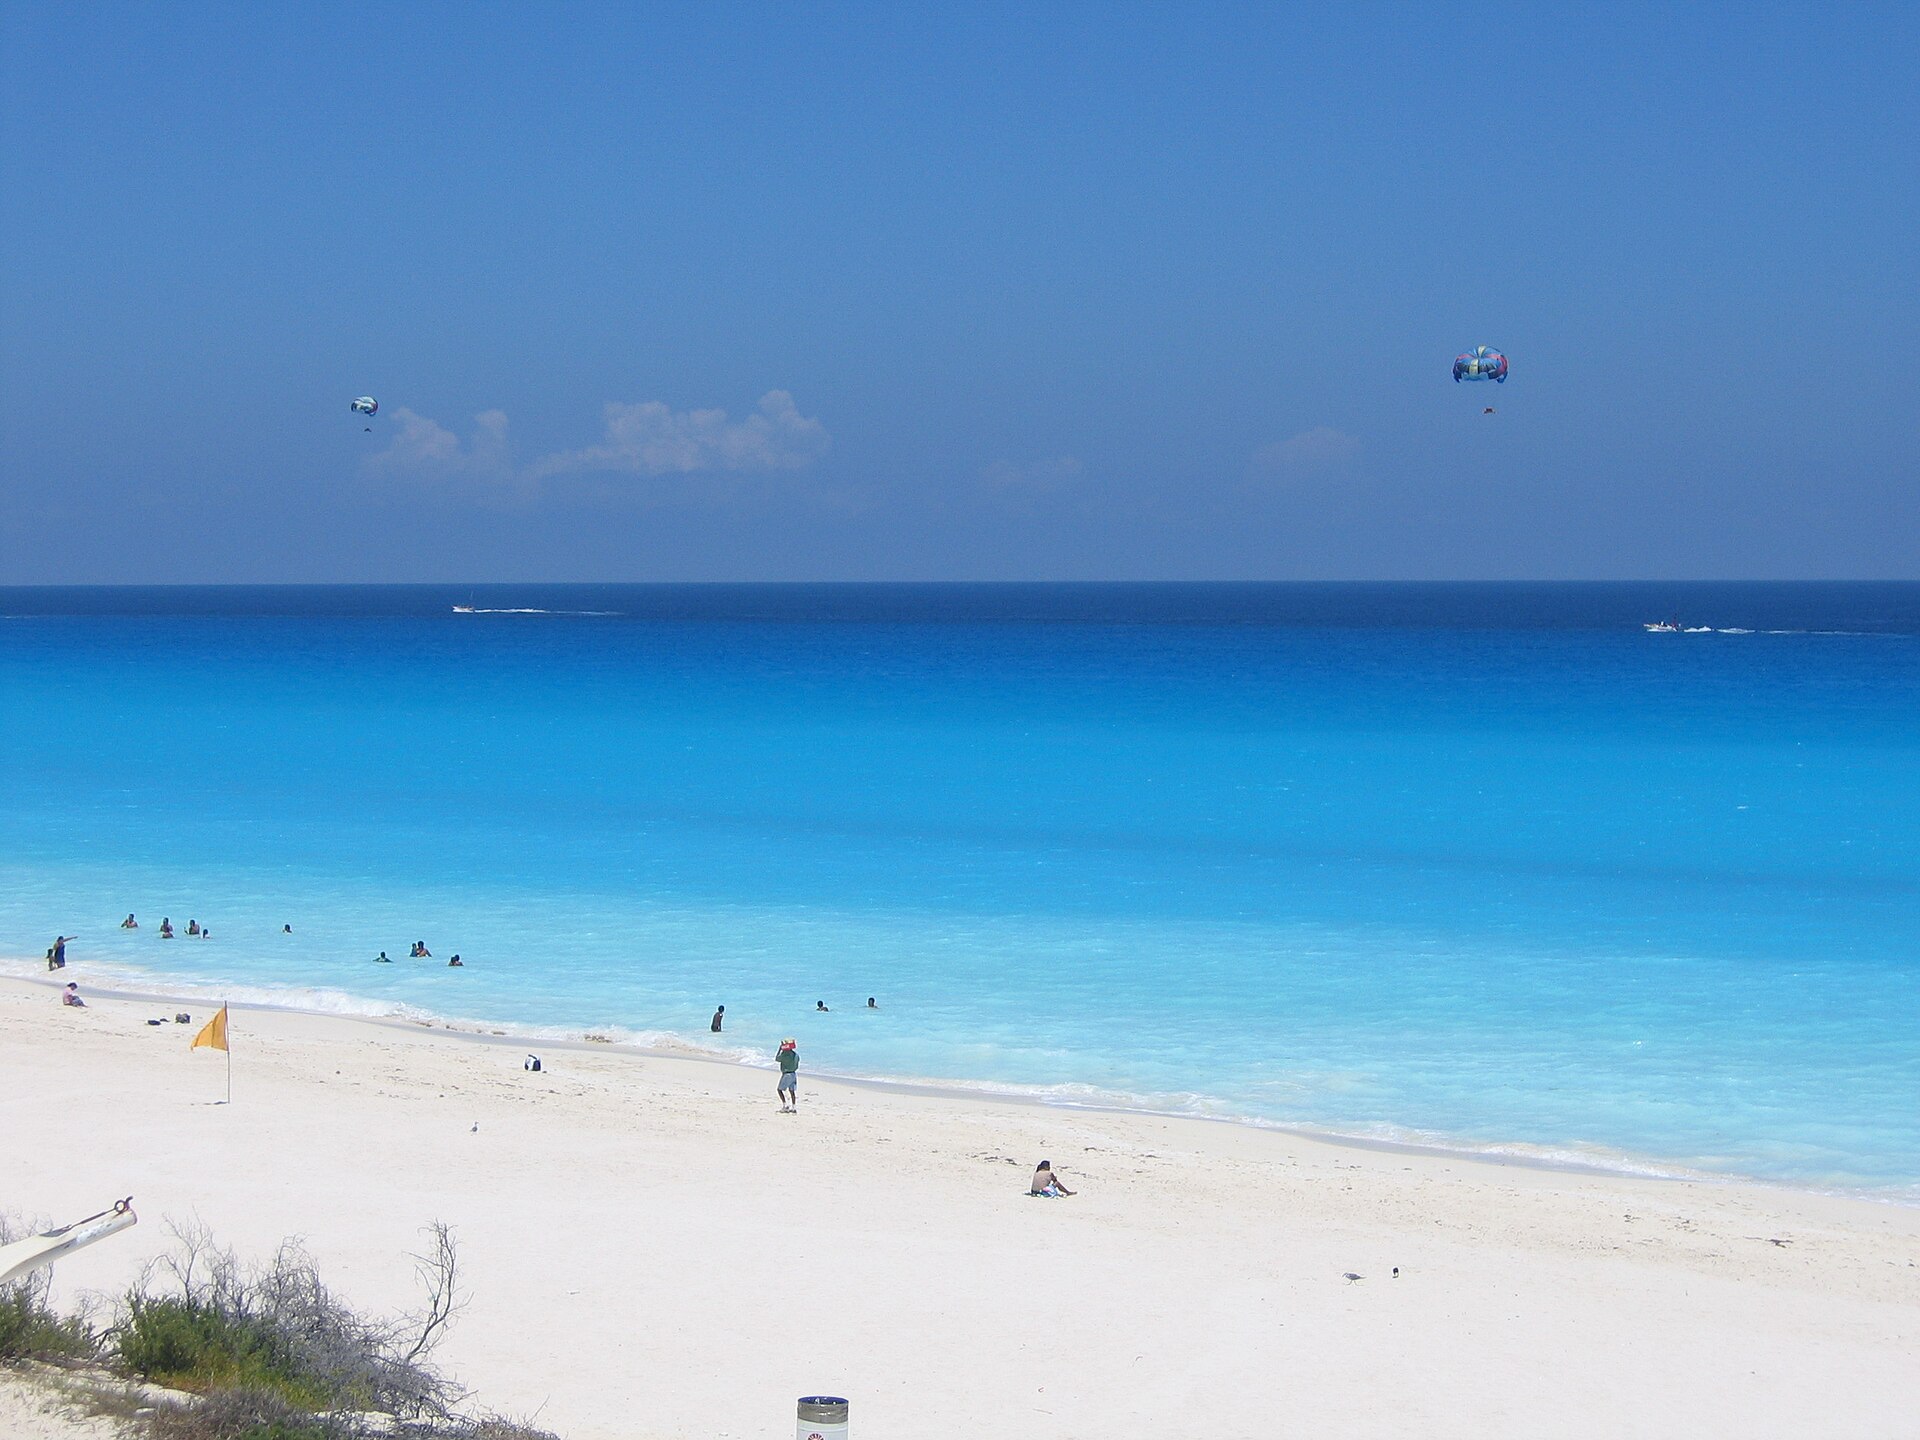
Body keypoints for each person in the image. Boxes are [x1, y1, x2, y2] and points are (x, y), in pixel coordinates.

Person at [776, 1039, 800, 1111]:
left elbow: (777, 1058)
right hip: (793, 1074)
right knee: (792, 1091)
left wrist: (779, 1050)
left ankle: (785, 1105)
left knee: (779, 1090)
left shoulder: (784, 1054)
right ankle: (794, 1107)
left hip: (786, 1074)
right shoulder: (795, 1055)